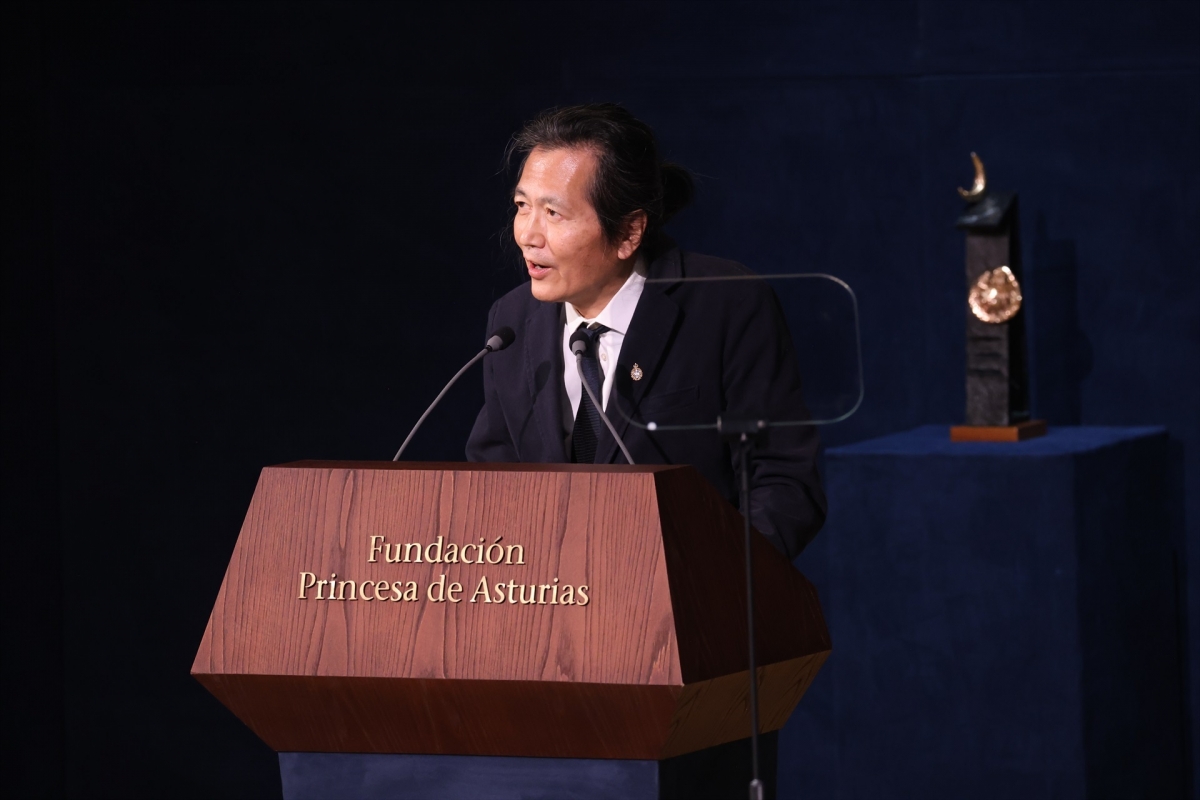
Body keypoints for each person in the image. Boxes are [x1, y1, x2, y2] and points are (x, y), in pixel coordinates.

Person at [466, 103, 825, 560]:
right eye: (522, 206)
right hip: (554, 608)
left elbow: (783, 479)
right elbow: (492, 480)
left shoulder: (724, 303)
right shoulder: (512, 321)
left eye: (553, 214)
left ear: (630, 232)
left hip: (695, 604)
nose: (528, 235)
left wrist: (714, 581)